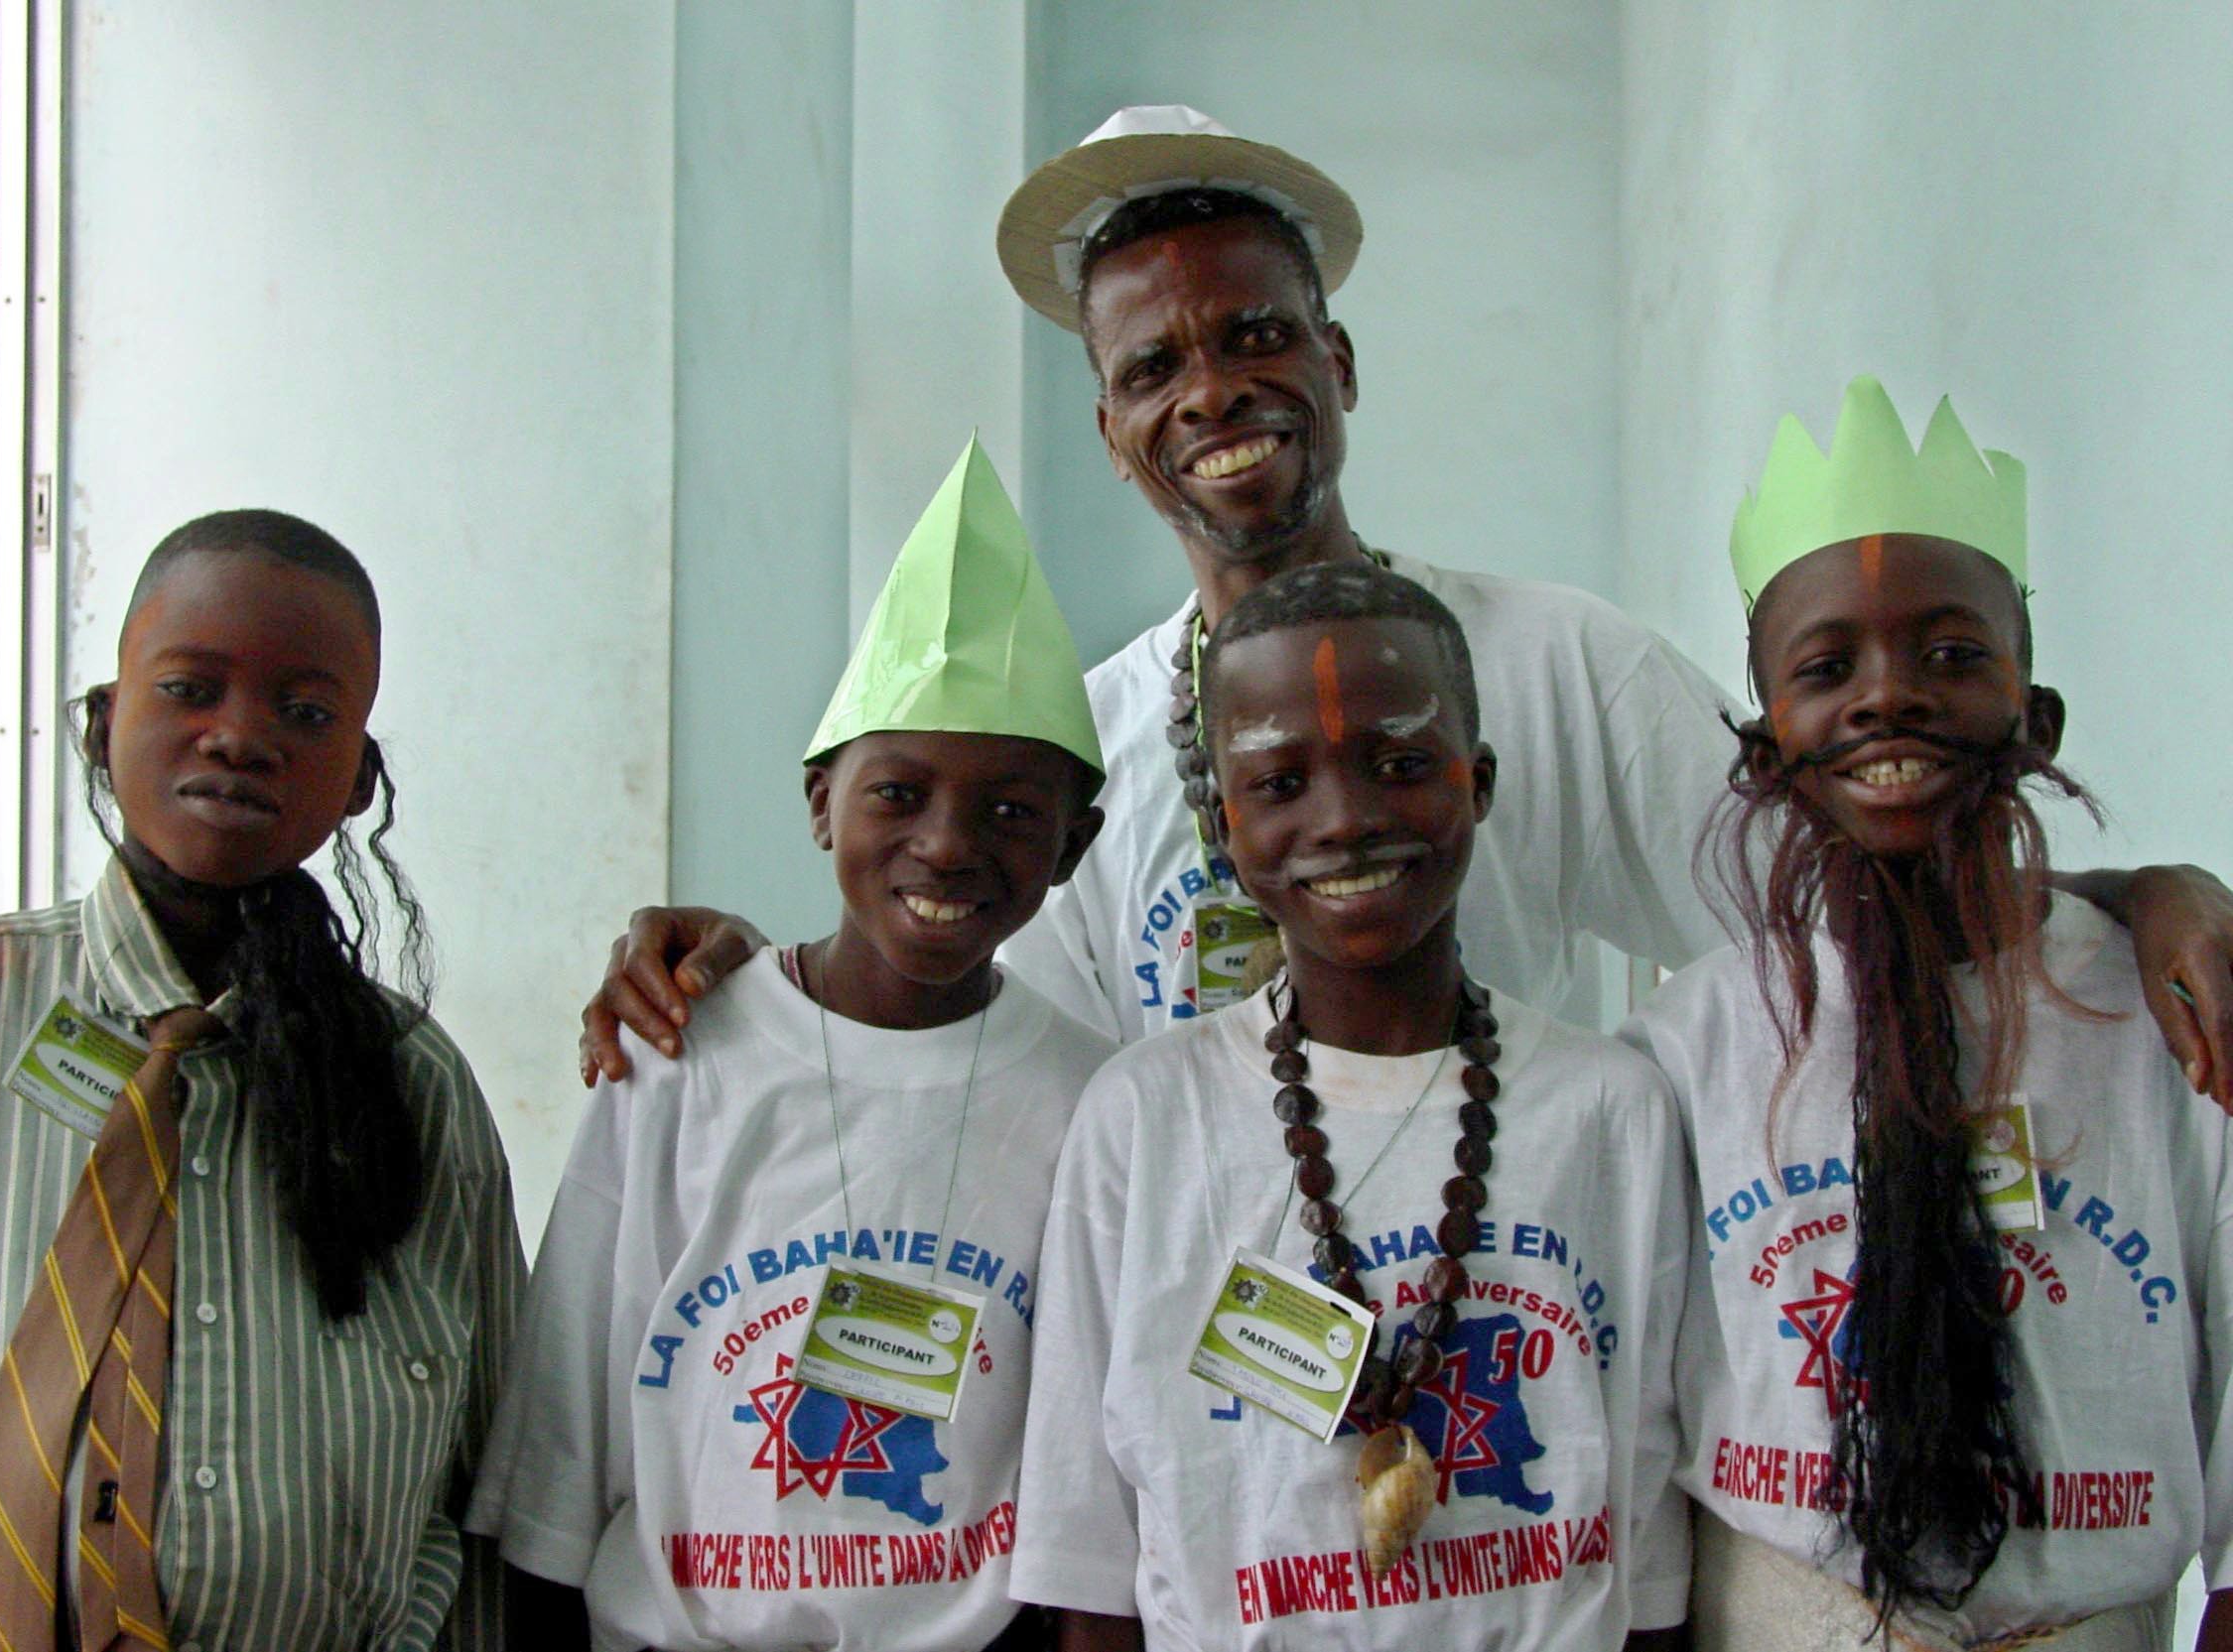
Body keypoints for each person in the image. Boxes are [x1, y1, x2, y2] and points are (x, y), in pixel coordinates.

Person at [580, 106, 2233, 1105]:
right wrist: (763, 988)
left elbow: (1833, 893)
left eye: (1257, 336)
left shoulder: (1556, 662)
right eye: (1154, 368)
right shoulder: (1080, 742)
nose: (1212, 391)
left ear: (1340, 362)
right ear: (1110, 431)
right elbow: (972, 1046)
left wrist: (2123, 893)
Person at [468, 440, 1116, 1651]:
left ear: (1073, 847)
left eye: (1011, 811)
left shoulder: (1090, 1099)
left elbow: (1083, 1467)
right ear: (821, 802)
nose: (947, 844)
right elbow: (568, 1413)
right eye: (897, 793)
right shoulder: (681, 1053)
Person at [1620, 378, 2233, 1647]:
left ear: (2034, 719)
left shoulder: (2169, 1020)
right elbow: (1638, 1404)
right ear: (1765, 753)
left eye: (1951, 656)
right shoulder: (1688, 1051)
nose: (1887, 697)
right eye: (1826, 668)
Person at [1011, 559, 1690, 1649]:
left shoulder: (1613, 1112)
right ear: (1222, 822)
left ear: (1479, 782)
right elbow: (1087, 1556)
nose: (1344, 820)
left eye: (1401, 764)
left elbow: (1649, 1540)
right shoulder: (1141, 1121)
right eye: (1280, 783)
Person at [0, 509, 522, 1648]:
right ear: (102, 722)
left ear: (359, 777)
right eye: (189, 689)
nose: (240, 738)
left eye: (305, 712)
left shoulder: (413, 1089)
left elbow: (486, 1483)